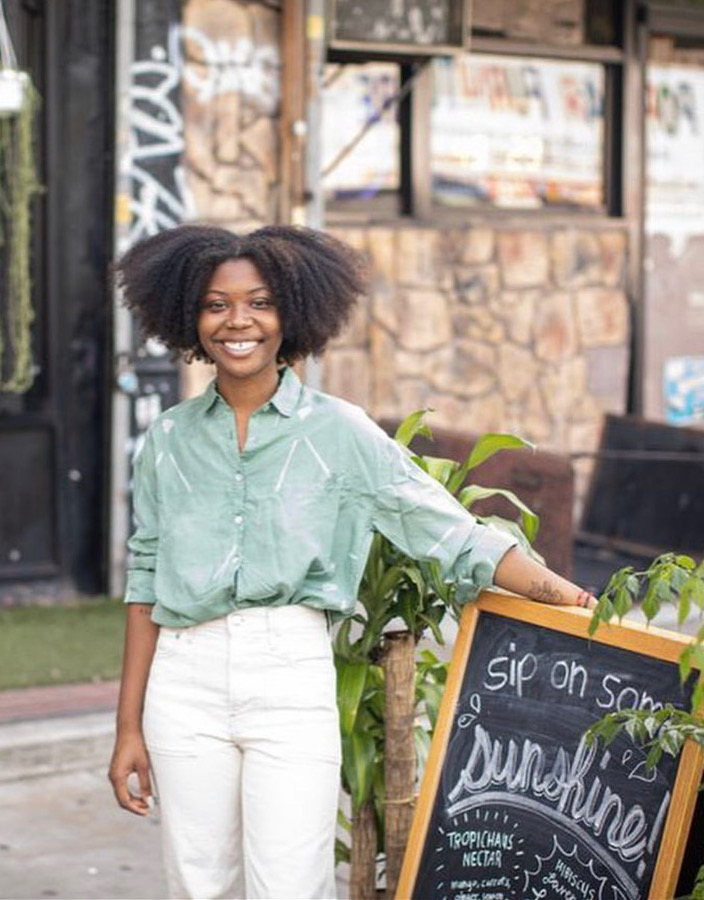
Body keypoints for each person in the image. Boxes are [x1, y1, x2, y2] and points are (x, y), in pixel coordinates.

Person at [108, 223, 596, 900]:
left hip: (290, 676)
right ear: (190, 315)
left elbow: (449, 531)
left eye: (259, 302)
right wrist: (128, 726)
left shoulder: (340, 432)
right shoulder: (167, 441)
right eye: (217, 304)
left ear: (293, 313)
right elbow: (145, 584)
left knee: (291, 884)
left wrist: (555, 589)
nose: (237, 321)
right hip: (182, 680)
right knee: (197, 884)